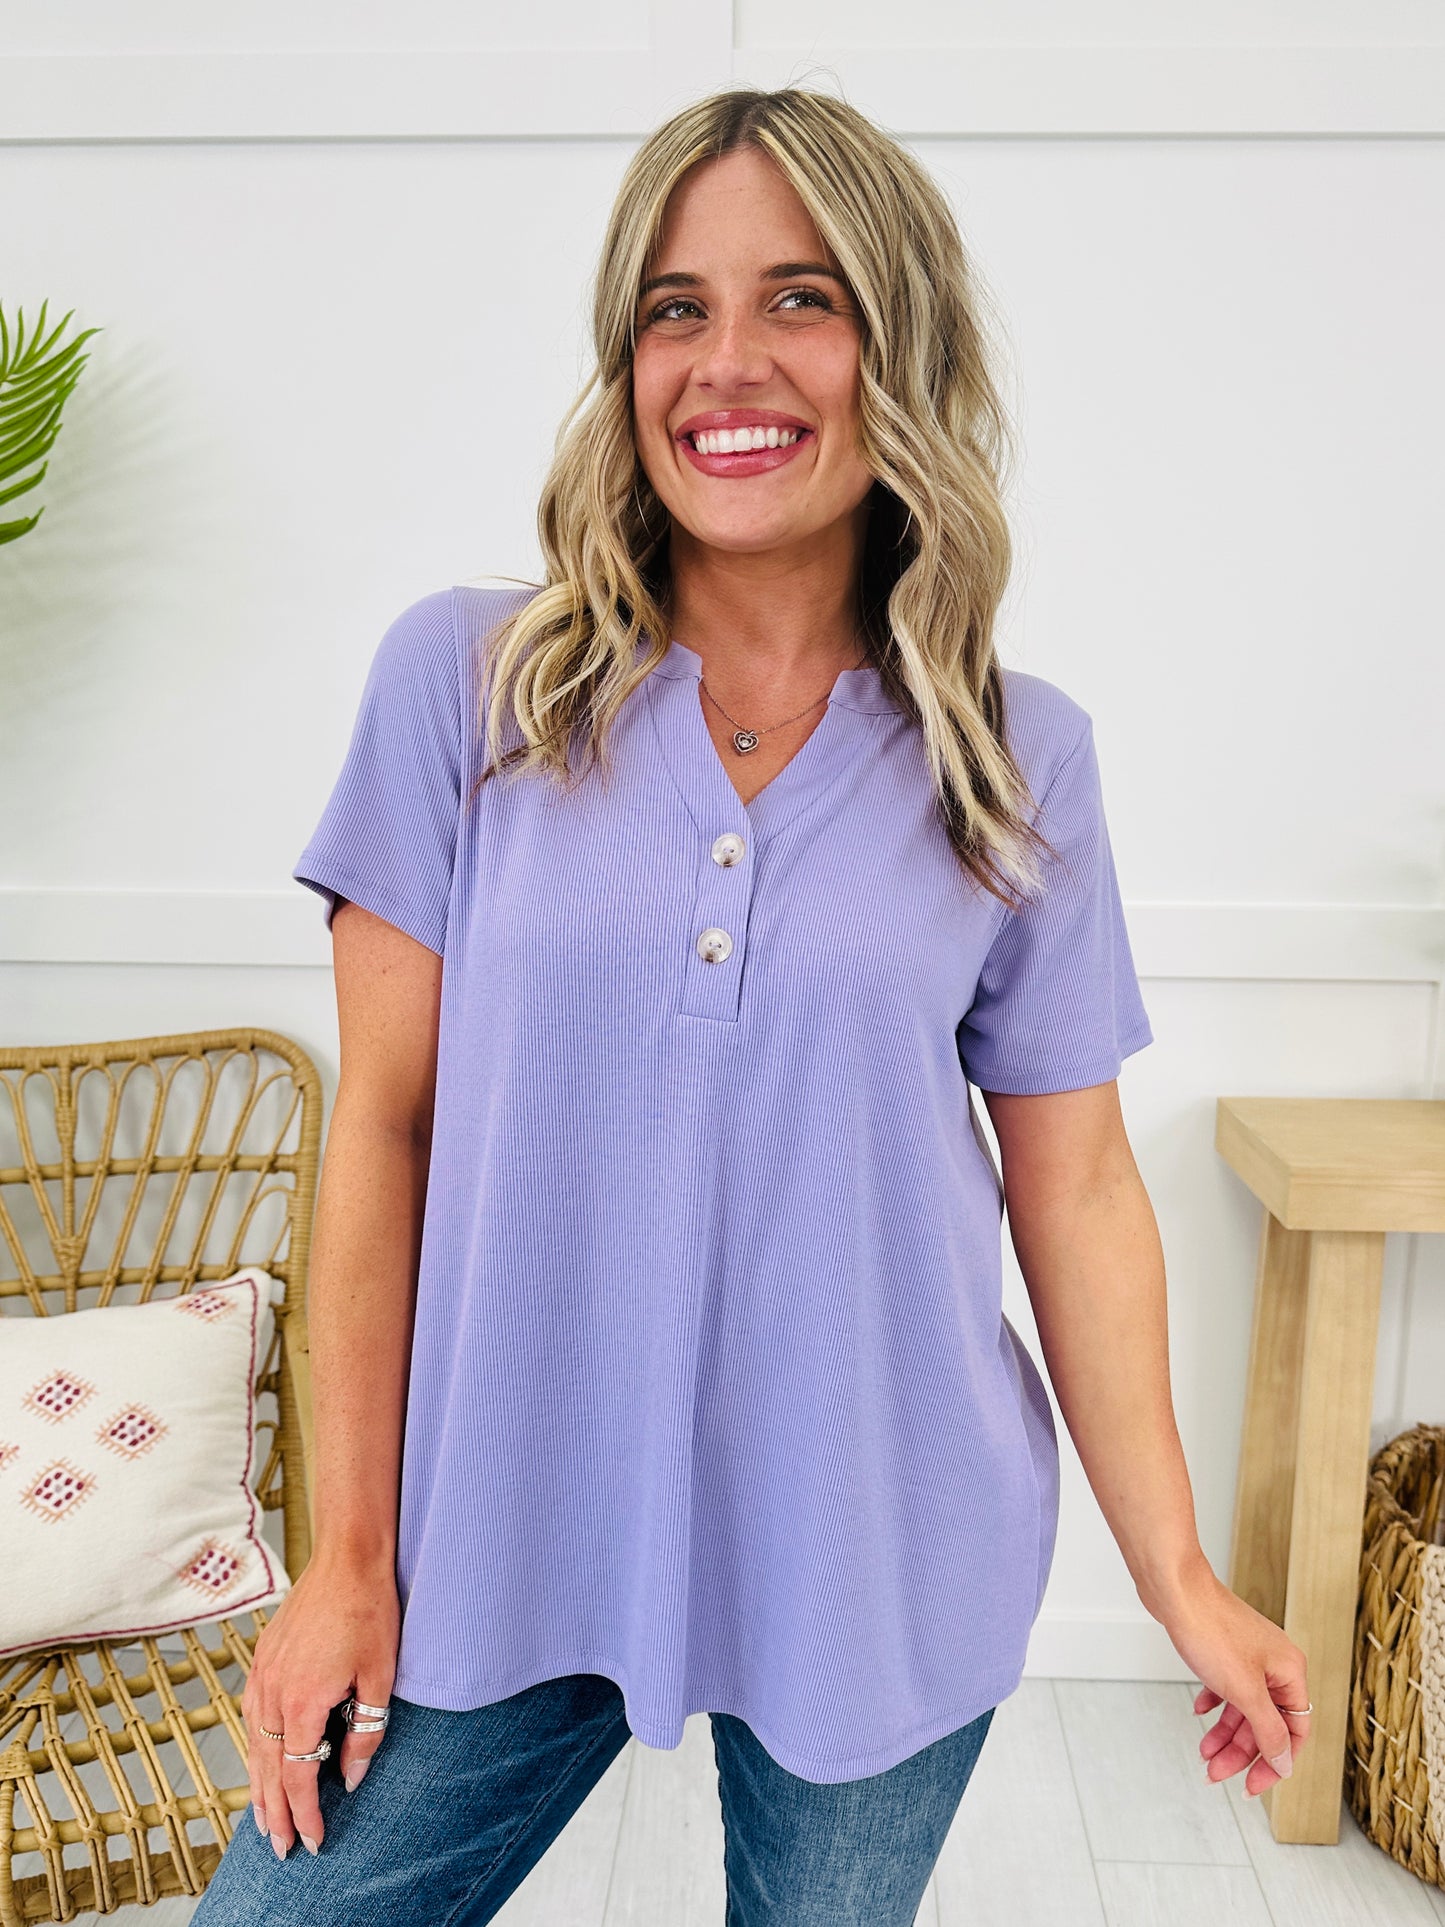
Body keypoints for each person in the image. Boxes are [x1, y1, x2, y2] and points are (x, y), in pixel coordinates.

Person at [193, 82, 1310, 1927]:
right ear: (625, 362)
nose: (728, 363)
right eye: (675, 308)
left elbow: (1081, 1189)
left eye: (803, 298)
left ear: (901, 347)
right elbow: (383, 1131)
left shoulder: (1016, 757)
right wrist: (347, 1557)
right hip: (502, 1532)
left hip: (875, 1551)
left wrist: (1176, 1573)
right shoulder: (464, 686)